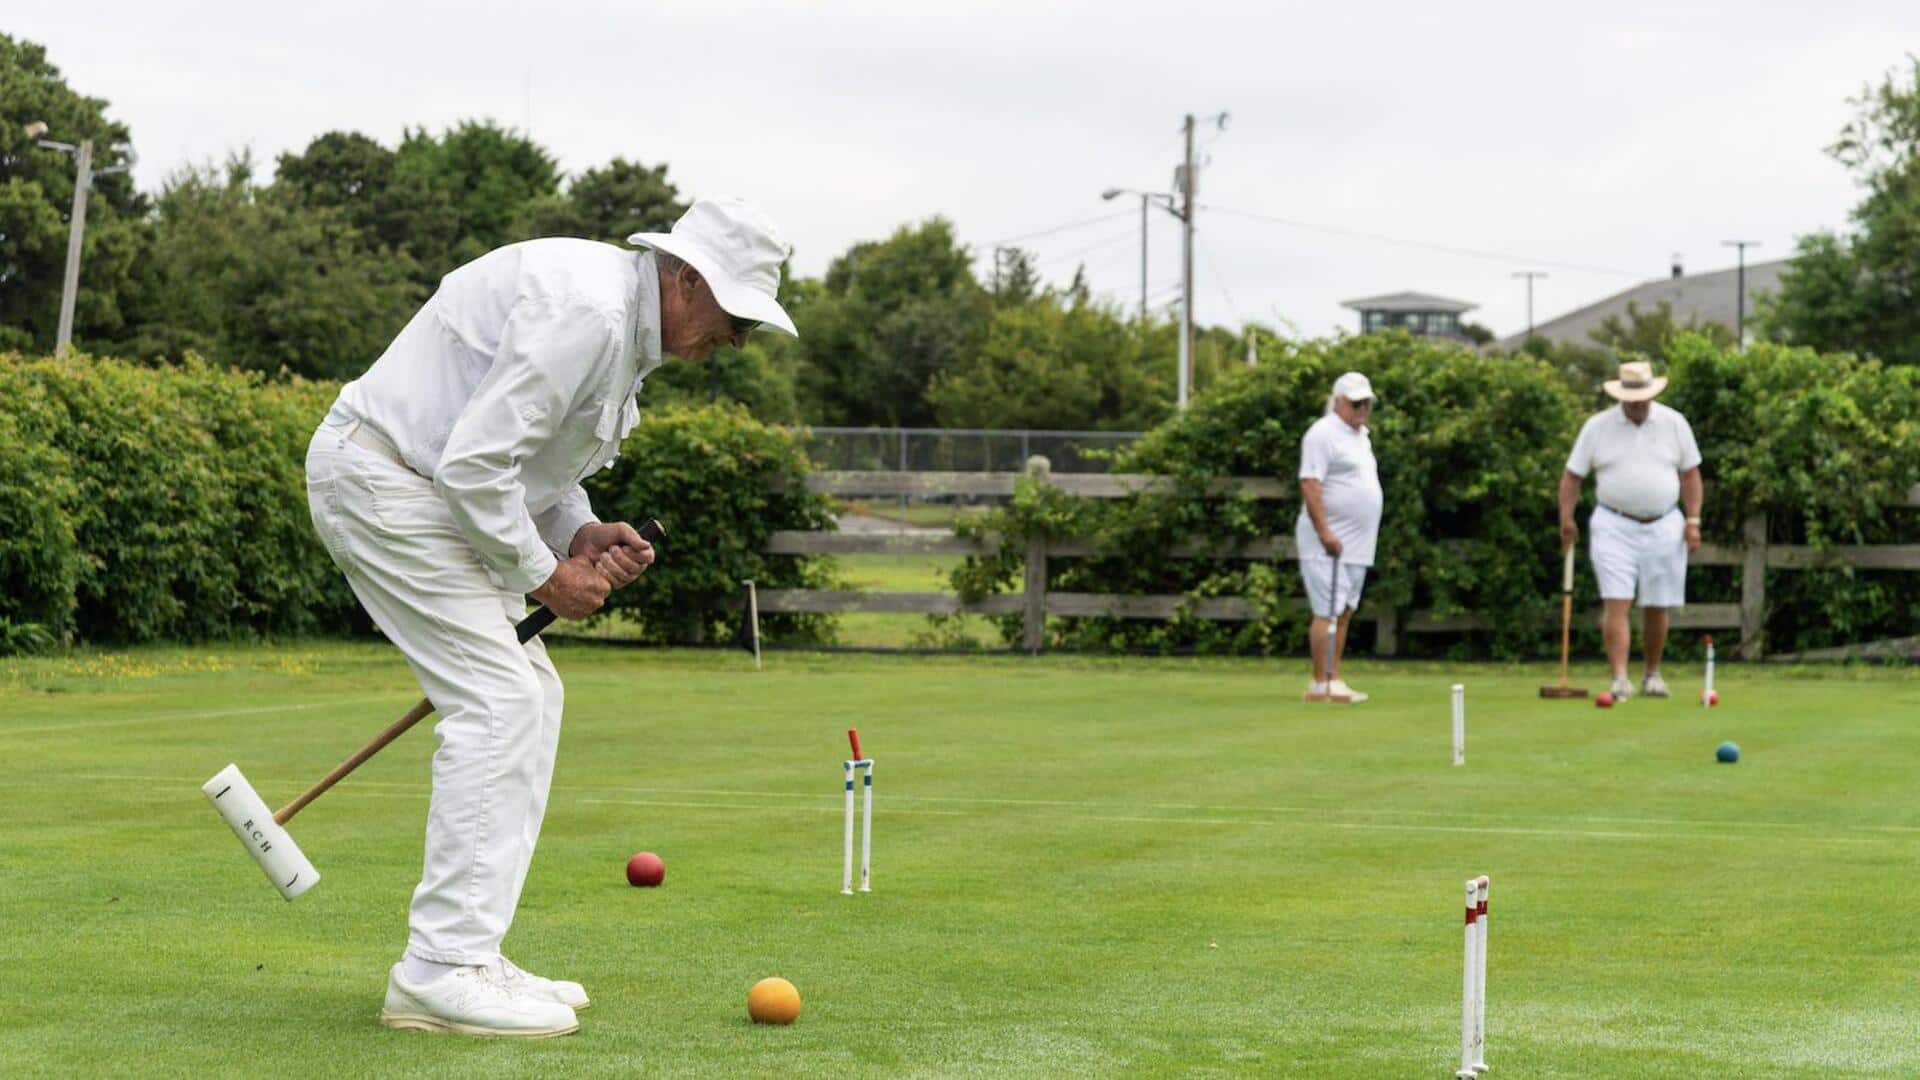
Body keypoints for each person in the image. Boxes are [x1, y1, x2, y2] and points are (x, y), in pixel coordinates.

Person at [303, 196, 797, 1036]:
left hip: (427, 490)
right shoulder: (587, 312)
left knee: (531, 693)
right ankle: (439, 969)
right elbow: (473, 466)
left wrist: (578, 534)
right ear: (686, 280)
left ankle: (472, 953)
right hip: (385, 482)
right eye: (737, 316)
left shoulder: (620, 333)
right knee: (498, 699)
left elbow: (529, 466)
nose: (740, 341)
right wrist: (546, 577)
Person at [1558, 359, 1703, 702]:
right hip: (1613, 523)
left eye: (1642, 399)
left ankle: (1652, 674)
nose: (1637, 405)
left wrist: (1693, 520)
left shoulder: (1674, 423)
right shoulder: (1597, 427)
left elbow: (1690, 475)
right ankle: (1620, 678)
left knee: (1657, 604)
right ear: (1620, 396)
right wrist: (1566, 518)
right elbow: (1572, 476)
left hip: (1664, 523)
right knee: (1616, 600)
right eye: (1631, 400)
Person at [1297, 371, 1383, 703]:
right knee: (1328, 610)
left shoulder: (1361, 436)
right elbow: (1310, 482)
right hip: (1328, 542)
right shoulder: (1322, 434)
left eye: (1366, 404)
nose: (1362, 410)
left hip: (1358, 543)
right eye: (1355, 403)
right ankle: (1321, 682)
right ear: (1338, 402)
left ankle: (1334, 677)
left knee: (1344, 610)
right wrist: (1324, 532)